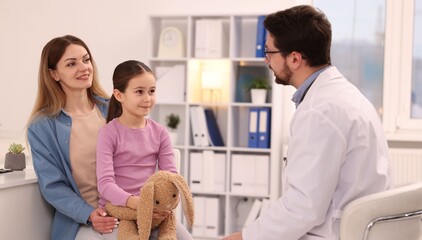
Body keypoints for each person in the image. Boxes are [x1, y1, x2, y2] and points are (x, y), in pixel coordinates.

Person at [224, 5, 391, 240]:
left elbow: (302, 207)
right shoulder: (343, 95)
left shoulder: (320, 111)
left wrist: (244, 237)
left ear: (294, 58)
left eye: (269, 52)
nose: (266, 60)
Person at [27, 35, 118, 240]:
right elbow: (53, 186)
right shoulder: (42, 127)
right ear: (54, 74)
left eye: (86, 60)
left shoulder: (115, 109)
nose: (83, 67)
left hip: (125, 209)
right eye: (71, 64)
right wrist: (89, 214)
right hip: (82, 220)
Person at [96, 60, 192, 240]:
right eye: (139, 92)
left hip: (154, 210)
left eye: (152, 91)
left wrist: (164, 203)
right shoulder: (108, 133)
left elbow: (170, 176)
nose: (147, 98)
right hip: (120, 211)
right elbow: (105, 185)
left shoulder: (160, 132)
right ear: (119, 95)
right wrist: (138, 204)